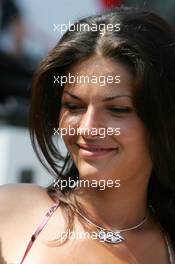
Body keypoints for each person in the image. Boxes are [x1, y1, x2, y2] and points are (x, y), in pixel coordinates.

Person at [0, 6, 175, 264]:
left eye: (117, 109)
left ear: (164, 118)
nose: (88, 128)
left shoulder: (167, 245)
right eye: (74, 106)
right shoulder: (9, 211)